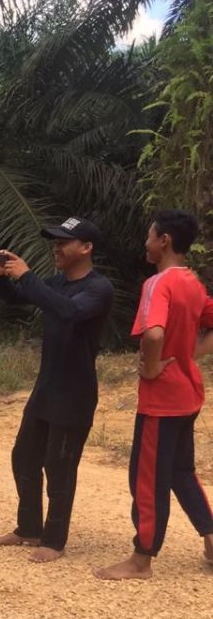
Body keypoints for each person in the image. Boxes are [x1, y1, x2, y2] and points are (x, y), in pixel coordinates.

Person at [95, 210, 213, 580]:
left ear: (164, 241)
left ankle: (141, 559)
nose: (145, 243)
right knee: (181, 472)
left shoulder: (157, 284)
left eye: (149, 236)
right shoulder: (192, 283)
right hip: (189, 394)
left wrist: (151, 368)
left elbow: (155, 333)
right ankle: (211, 540)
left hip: (161, 401)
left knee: (146, 479)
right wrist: (191, 355)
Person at [0, 217, 114, 563]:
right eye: (55, 241)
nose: (56, 247)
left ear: (86, 248)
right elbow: (18, 298)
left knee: (59, 467)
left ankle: (54, 539)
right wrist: (0, 277)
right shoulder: (57, 283)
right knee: (24, 457)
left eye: (64, 242)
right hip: (46, 388)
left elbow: (69, 311)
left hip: (75, 394)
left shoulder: (98, 289)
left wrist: (27, 276)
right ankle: (28, 528)